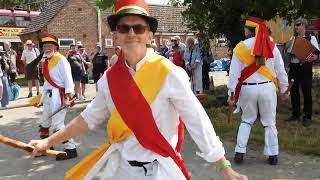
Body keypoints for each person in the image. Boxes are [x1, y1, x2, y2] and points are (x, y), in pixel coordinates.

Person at [29, 0, 247, 180]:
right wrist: (48, 141)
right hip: (123, 170)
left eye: (139, 28)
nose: (131, 33)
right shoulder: (109, 79)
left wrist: (223, 166)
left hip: (161, 171)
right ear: (115, 36)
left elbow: (196, 120)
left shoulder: (169, 73)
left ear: (150, 35)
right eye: (124, 28)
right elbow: (86, 119)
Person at [227, 17, 289, 165]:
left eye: (245, 28)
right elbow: (280, 70)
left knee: (246, 121)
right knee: (269, 123)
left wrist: (231, 94)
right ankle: (273, 155)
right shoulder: (272, 46)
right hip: (268, 88)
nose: (244, 31)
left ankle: (239, 152)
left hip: (248, 89)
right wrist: (285, 89)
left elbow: (234, 74)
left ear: (250, 30)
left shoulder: (240, 47)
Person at [36, 34, 77, 161]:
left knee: (58, 125)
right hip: (49, 96)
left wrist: (68, 97)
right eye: (44, 46)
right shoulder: (46, 61)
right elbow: (47, 83)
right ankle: (47, 147)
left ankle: (71, 149)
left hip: (59, 97)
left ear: (55, 47)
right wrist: (40, 99)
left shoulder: (61, 60)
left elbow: (68, 80)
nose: (46, 48)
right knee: (44, 123)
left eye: (49, 45)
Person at [285, 18, 319, 127]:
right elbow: (287, 50)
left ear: (304, 26)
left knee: (306, 91)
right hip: (294, 67)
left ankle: (307, 117)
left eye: (298, 25)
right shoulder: (293, 38)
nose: (296, 27)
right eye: (295, 25)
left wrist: (313, 58)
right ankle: (296, 114)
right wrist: (289, 43)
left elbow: (316, 54)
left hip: (305, 67)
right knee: (294, 91)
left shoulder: (311, 38)